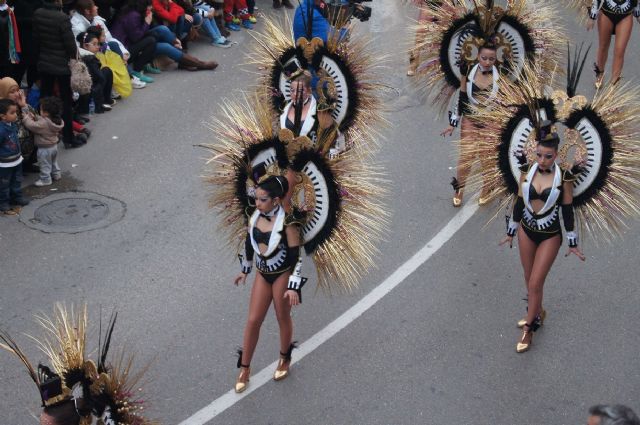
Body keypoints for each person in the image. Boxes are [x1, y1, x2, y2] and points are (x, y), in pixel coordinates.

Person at [499, 121, 585, 353]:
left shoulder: (564, 177)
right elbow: (519, 200)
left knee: (536, 282)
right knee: (529, 279)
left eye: (548, 156)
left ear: (556, 155)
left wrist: (573, 241)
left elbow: (567, 209)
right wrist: (511, 231)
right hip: (526, 231)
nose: (542, 160)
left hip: (549, 235)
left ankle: (529, 327)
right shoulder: (527, 171)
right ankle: (537, 311)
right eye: (538, 155)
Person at [233, 174, 304, 393]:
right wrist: (245, 270)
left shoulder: (288, 223)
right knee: (253, 320)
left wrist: (293, 287)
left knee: (282, 316)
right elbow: (249, 242)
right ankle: (245, 368)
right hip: (262, 273)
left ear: (275, 200)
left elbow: (295, 257)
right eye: (256, 198)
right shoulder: (254, 215)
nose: (257, 203)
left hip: (282, 274)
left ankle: (284, 358)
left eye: (263, 200)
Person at [440, 42, 499, 207]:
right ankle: (459, 189)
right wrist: (453, 124)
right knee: (466, 157)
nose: (487, 62)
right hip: (470, 120)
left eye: (491, 59)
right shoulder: (468, 72)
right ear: (478, 56)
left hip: (491, 121)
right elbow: (461, 98)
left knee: (487, 158)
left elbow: (508, 103)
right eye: (484, 58)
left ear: (496, 59)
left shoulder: (501, 76)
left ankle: (487, 188)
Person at [32, 0, 84, 148]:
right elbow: (70, 45)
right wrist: (76, 60)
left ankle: (43, 135)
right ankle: (68, 137)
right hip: (61, 65)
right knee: (65, 101)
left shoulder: (37, 14)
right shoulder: (62, 18)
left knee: (45, 100)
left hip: (44, 62)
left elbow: (36, 39)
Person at [112, 0, 217, 71]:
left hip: (139, 40)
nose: (150, 8)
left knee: (162, 29)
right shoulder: (133, 15)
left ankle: (183, 57)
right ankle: (199, 64)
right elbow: (136, 37)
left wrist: (173, 39)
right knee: (165, 46)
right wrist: (147, 22)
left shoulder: (138, 12)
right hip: (126, 49)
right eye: (149, 7)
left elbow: (178, 12)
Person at [587, 0, 640, 88]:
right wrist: (592, 16)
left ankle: (613, 84)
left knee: (620, 51)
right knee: (603, 46)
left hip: (626, 16)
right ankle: (600, 74)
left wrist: (638, 14)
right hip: (606, 13)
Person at [21, 96, 63, 186]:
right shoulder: (55, 120)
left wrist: (26, 118)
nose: (40, 111)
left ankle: (45, 179)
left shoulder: (43, 124)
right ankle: (56, 174)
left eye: (41, 110)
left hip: (44, 149)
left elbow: (31, 125)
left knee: (44, 164)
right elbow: (43, 120)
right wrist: (35, 116)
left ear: (46, 113)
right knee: (53, 162)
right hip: (54, 146)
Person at [0, 77, 39, 172]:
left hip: (25, 143)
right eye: (12, 92)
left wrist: (24, 106)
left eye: (17, 90)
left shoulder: (20, 103)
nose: (17, 94)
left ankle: (27, 164)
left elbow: (37, 120)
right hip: (10, 144)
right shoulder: (2, 108)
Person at [0, 98, 29, 214]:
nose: (15, 114)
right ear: (3, 116)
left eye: (16, 112)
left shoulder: (12, 124)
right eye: (12, 113)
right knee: (4, 183)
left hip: (17, 160)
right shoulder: (1, 130)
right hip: (5, 164)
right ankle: (3, 202)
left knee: (16, 180)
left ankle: (17, 197)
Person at [77, 31, 115, 113]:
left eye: (98, 44)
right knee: (106, 72)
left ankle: (104, 100)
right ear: (85, 45)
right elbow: (100, 78)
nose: (97, 47)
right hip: (89, 91)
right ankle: (102, 102)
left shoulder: (81, 54)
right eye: (94, 44)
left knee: (105, 70)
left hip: (85, 90)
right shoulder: (89, 58)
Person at [407, 0, 442, 76]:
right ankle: (415, 60)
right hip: (429, 2)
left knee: (444, 33)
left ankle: (442, 62)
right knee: (421, 31)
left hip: (447, 4)